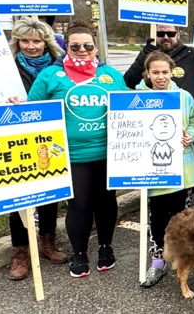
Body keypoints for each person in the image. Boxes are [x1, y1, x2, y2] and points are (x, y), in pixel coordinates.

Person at [25, 20, 129, 278]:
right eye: (75, 46)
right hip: (72, 153)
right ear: (66, 47)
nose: (82, 50)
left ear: (95, 47)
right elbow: (32, 109)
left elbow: (129, 105)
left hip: (107, 152)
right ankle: (79, 252)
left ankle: (106, 247)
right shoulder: (51, 75)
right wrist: (16, 105)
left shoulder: (110, 75)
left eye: (87, 46)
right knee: (80, 204)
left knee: (106, 202)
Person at [123, 4, 194, 210]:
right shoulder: (148, 58)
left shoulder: (193, 55)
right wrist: (144, 54)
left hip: (193, 138)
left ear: (178, 34)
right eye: (161, 33)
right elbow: (129, 81)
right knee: (161, 203)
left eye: (170, 33)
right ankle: (160, 239)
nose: (165, 37)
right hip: (157, 141)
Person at [5, 17, 67, 280]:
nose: (31, 46)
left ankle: (47, 241)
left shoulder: (58, 67)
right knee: (17, 192)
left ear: (46, 43)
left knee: (49, 189)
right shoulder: (6, 68)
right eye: (25, 40)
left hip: (48, 135)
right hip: (15, 135)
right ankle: (20, 250)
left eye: (37, 40)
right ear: (17, 42)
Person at [136, 51, 194, 288]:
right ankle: (157, 260)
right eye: (155, 72)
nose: (161, 77)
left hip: (180, 170)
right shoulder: (136, 98)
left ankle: (181, 258)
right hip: (151, 171)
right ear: (148, 73)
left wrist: (191, 135)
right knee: (157, 218)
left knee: (180, 219)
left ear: (172, 72)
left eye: (165, 72)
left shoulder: (183, 97)